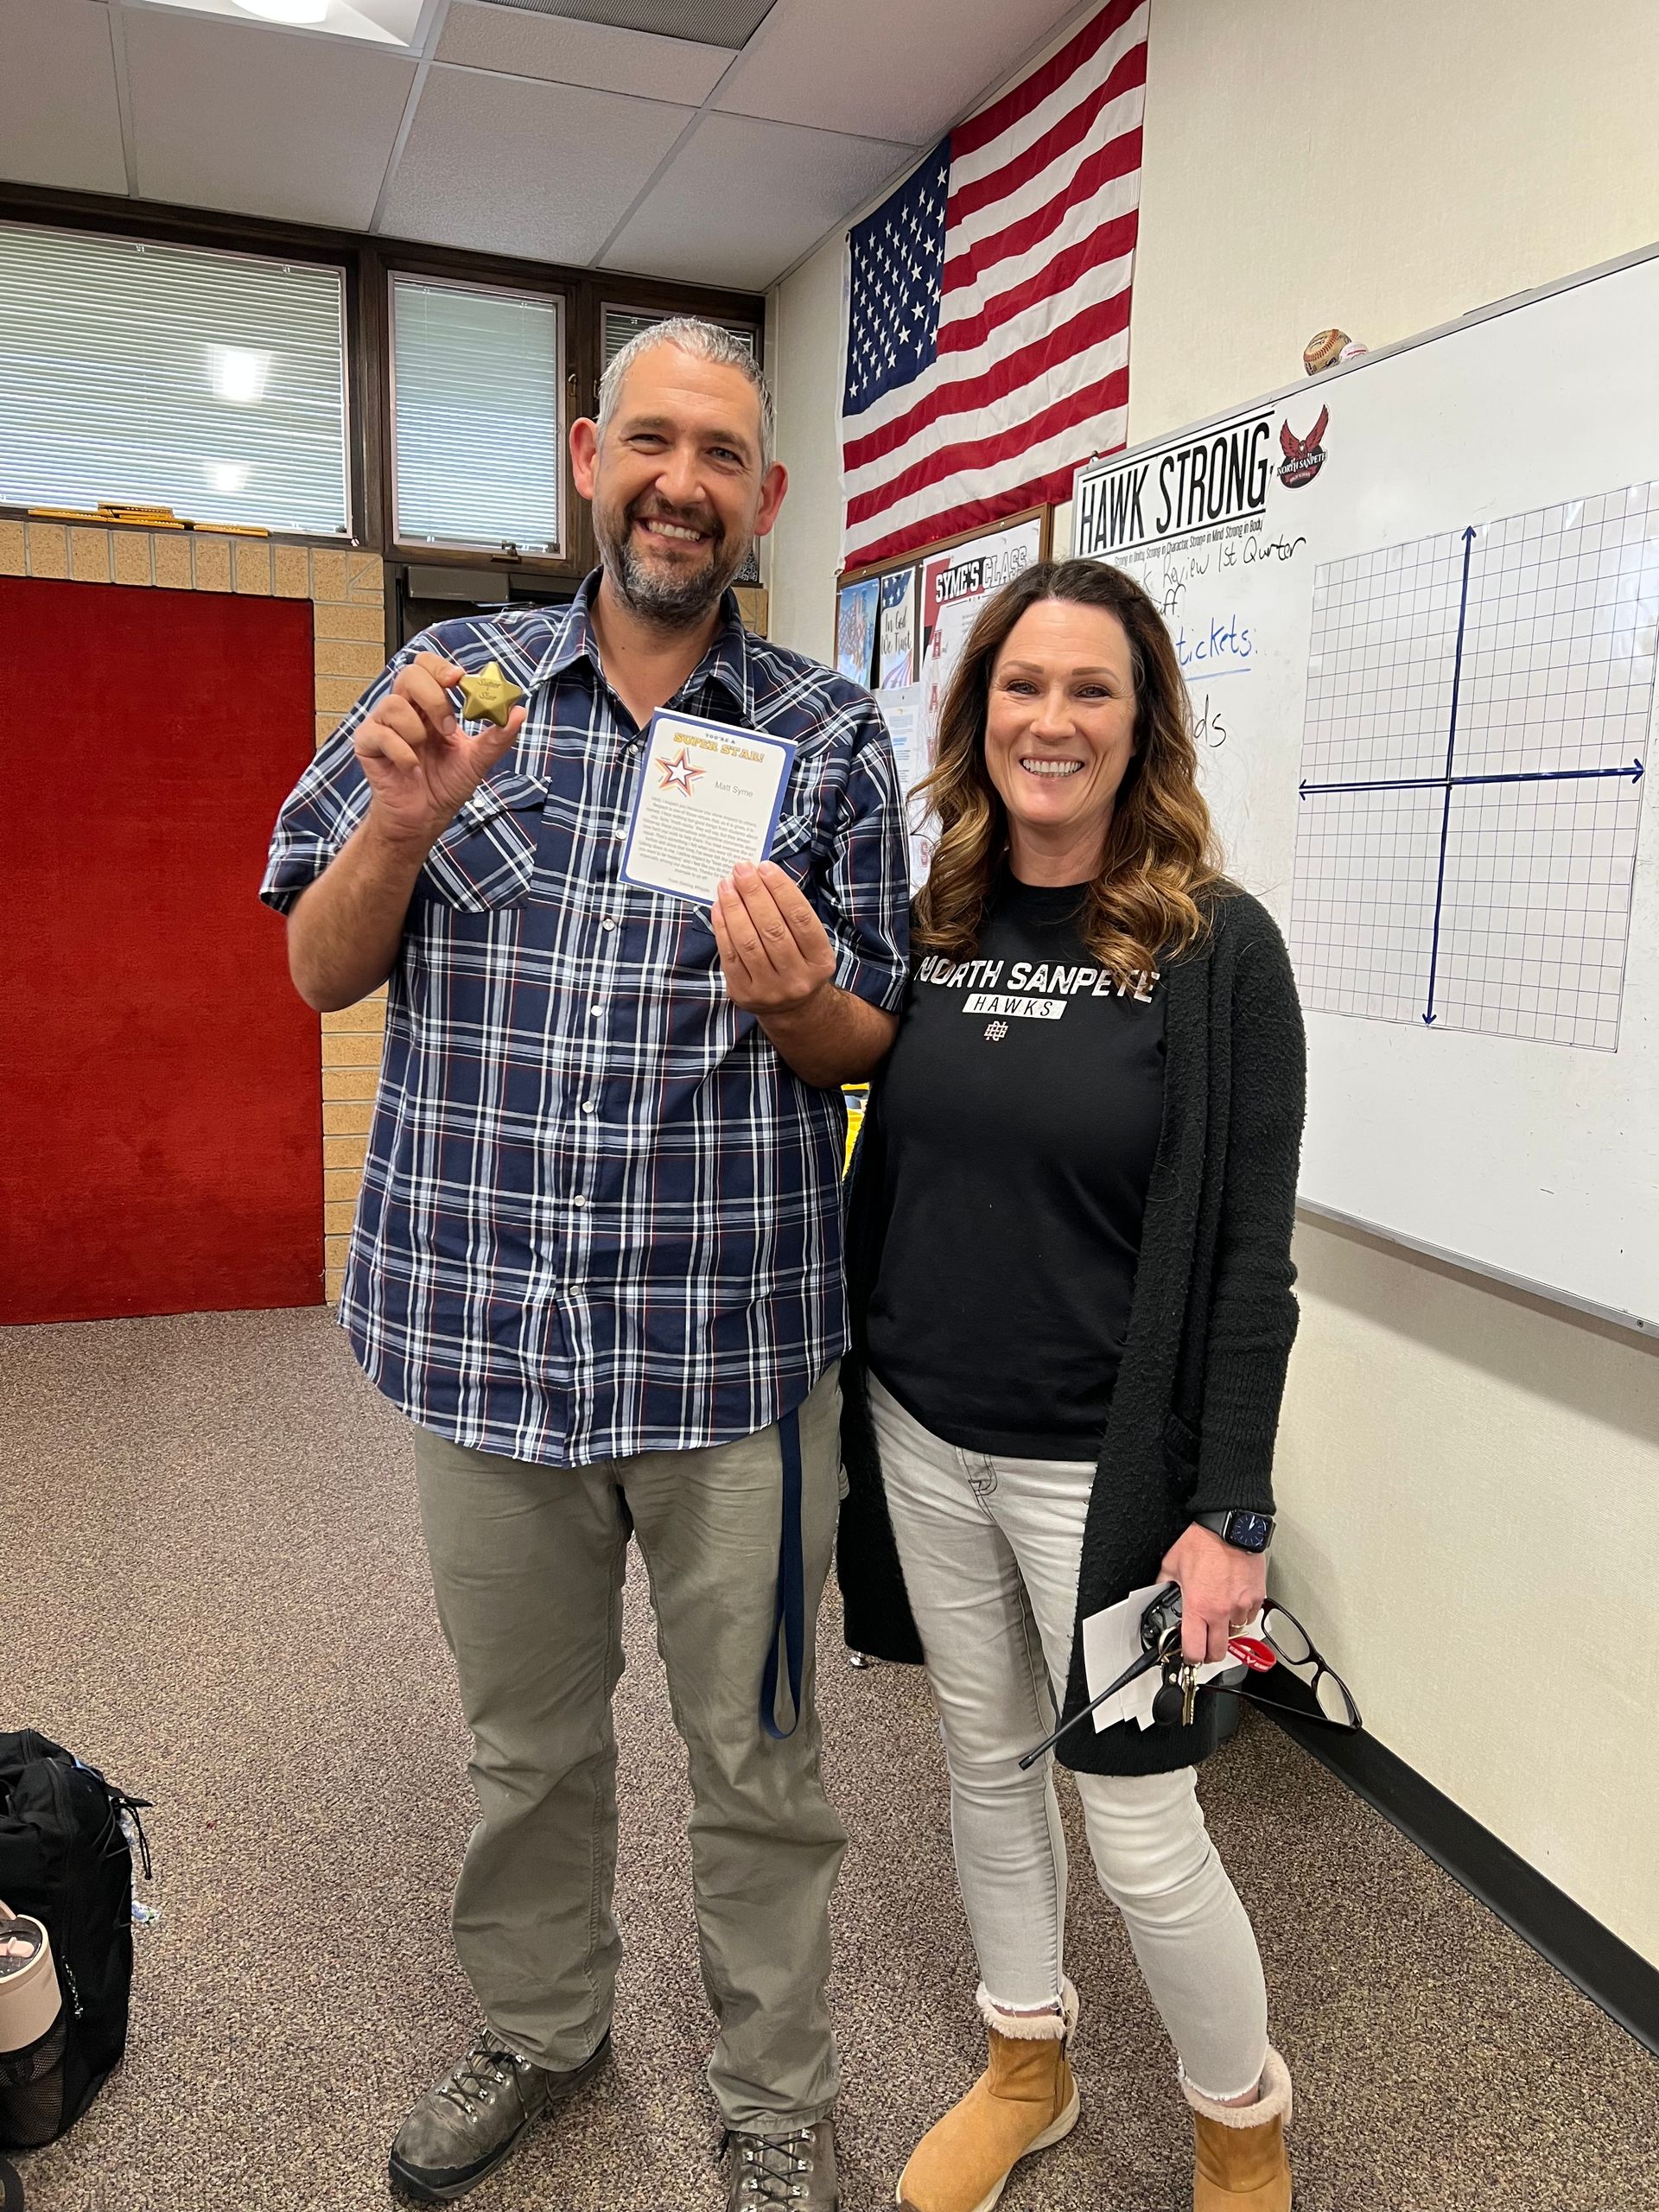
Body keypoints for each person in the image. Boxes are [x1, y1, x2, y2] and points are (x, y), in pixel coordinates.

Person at [260, 320, 909, 2211]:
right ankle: (544, 2030)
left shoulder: (826, 731)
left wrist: (807, 1010)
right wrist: (399, 826)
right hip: (488, 1338)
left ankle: (775, 2098)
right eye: (652, 440)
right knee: (525, 1744)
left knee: (763, 1757)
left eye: (722, 452)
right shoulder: (450, 690)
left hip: (736, 1356)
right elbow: (316, 965)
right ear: (584, 457)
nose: (682, 480)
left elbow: (877, 1031)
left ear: (764, 498)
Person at [836, 558, 1307, 2212]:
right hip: (922, 1434)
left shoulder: (1216, 952)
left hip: (1099, 1478)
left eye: (1089, 690)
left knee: (1142, 1823)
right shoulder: (934, 922)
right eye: (1021, 687)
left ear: (1141, 721)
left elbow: (1251, 1258)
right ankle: (1025, 2064)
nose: (1052, 719)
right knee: (978, 1762)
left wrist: (1231, 1511)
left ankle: (1239, 2125)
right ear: (980, 718)